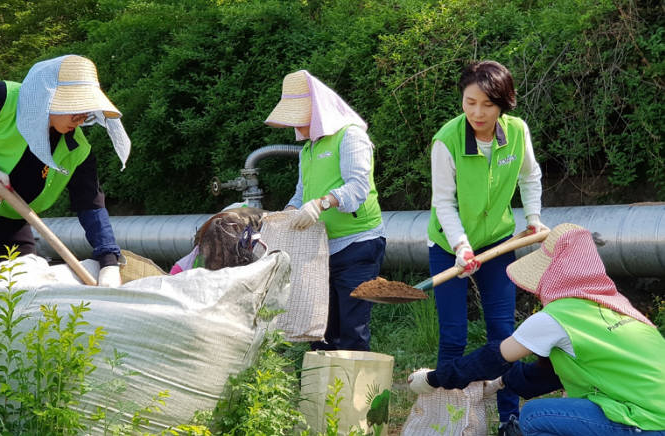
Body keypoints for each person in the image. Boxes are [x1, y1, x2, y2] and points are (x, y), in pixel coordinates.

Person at [408, 223, 665, 435]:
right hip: (653, 413)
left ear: (553, 272)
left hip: (646, 421)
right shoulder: (618, 307)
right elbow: (548, 375)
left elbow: (492, 357)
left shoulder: (558, 317)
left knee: (533, 416)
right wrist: (499, 382)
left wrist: (433, 379)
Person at [425, 60, 547, 431]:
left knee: (503, 335)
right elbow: (443, 201)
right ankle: (447, 418)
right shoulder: (447, 140)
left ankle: (509, 417)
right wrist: (461, 247)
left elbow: (531, 176)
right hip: (448, 246)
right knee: (454, 335)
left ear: (504, 104)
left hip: (497, 243)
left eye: (487, 105)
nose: (477, 112)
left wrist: (533, 218)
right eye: (469, 102)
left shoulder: (516, 131)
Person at [0, 54, 131, 287]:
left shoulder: (78, 150)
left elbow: (91, 205)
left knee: (25, 289)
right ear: (49, 97)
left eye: (86, 111)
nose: (81, 118)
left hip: (12, 220)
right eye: (75, 108)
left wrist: (108, 259)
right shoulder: (1, 99)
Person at [264, 70, 386, 351]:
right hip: (318, 249)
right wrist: (284, 217)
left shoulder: (350, 136)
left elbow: (358, 187)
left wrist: (322, 203)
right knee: (319, 328)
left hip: (357, 245)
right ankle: (322, 393)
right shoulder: (308, 150)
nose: (296, 126)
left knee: (352, 329)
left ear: (317, 110)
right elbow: (300, 194)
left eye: (299, 117)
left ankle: (355, 394)